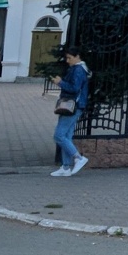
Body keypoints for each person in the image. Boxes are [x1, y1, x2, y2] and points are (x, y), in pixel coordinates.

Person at [52, 45, 90, 177]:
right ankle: (66, 167)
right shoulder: (78, 68)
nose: (67, 61)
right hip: (74, 105)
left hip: (73, 106)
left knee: (59, 135)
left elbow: (74, 88)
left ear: (77, 56)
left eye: (69, 58)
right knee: (67, 136)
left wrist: (60, 83)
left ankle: (78, 158)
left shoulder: (78, 70)